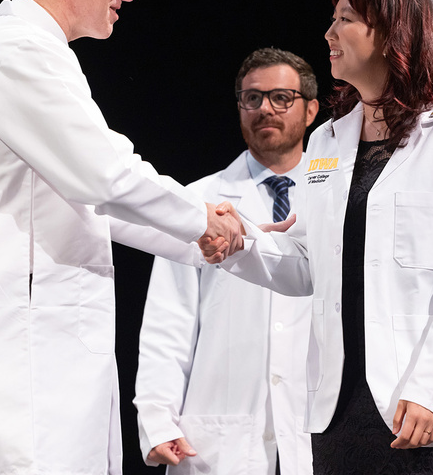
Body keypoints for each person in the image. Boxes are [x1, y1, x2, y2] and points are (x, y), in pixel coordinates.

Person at [0, 0, 242, 475]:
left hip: (43, 352)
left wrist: (199, 240)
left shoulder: (39, 52)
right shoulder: (18, 52)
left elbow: (89, 201)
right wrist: (199, 218)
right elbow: (105, 174)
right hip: (19, 359)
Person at [212, 0, 433, 474]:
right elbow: (311, 262)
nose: (329, 32)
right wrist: (241, 244)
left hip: (417, 412)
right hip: (336, 410)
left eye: (345, 19)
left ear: (392, 30)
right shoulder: (329, 139)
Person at [134, 48, 320, 474]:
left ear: (310, 109)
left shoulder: (337, 198)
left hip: (313, 426)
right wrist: (157, 416)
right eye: (251, 99)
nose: (264, 109)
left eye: (281, 98)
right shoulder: (196, 201)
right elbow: (169, 320)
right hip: (221, 437)